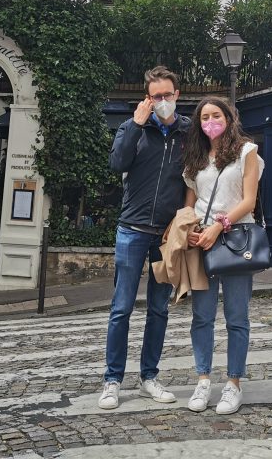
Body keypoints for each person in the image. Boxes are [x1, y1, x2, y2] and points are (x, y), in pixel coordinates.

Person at [99, 66, 190, 410]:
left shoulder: (187, 133)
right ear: (147, 98)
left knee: (158, 309)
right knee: (121, 308)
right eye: (156, 97)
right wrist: (136, 124)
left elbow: (194, 179)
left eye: (167, 95)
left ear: (177, 95)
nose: (163, 101)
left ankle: (149, 376)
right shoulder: (132, 127)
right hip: (131, 231)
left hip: (165, 237)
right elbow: (116, 162)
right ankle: (112, 380)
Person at [182, 97, 263, 415]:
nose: (210, 121)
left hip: (234, 238)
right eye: (205, 116)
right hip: (200, 240)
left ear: (229, 118)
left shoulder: (247, 151)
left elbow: (249, 200)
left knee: (236, 317)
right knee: (201, 316)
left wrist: (218, 226)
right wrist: (187, 227)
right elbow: (191, 200)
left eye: (216, 115)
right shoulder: (196, 157)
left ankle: (233, 384)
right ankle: (203, 380)